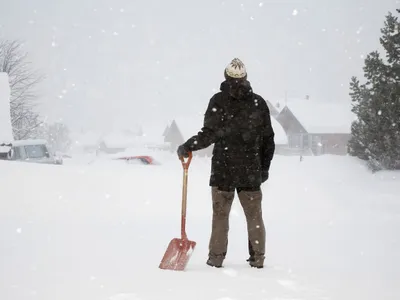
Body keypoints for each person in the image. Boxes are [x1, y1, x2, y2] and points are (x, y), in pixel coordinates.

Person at [177, 58, 275, 269]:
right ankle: (258, 259)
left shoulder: (218, 101)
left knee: (220, 217)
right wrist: (263, 168)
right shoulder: (258, 103)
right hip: (250, 170)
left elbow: (208, 134)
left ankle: (216, 258)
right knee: (254, 217)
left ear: (225, 76)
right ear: (245, 78)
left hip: (224, 169)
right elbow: (269, 140)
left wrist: (188, 146)